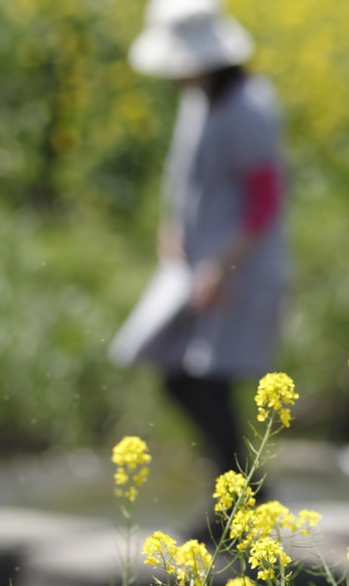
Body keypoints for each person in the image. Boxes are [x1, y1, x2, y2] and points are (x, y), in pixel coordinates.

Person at [113, 0, 288, 517]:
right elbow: (193, 180)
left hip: (238, 271)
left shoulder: (249, 106)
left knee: (203, 381)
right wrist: (174, 230)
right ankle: (242, 495)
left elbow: (266, 199)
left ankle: (240, 502)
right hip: (198, 271)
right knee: (180, 376)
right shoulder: (203, 98)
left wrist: (222, 264)